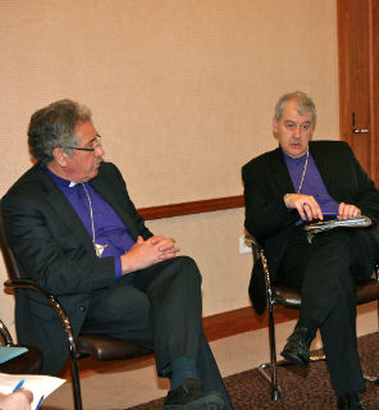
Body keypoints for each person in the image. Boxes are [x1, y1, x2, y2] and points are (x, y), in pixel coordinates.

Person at [1, 99, 233, 410]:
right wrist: (127, 262)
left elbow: (136, 228)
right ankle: (187, 386)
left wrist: (153, 247)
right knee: (174, 317)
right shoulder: (23, 202)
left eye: (98, 140)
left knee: (182, 269)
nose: (100, 151)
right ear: (61, 155)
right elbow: (52, 275)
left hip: (139, 273)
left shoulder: (107, 175)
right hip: (86, 297)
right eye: (90, 145)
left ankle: (184, 389)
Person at [242, 91, 379, 410]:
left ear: (313, 128)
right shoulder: (258, 169)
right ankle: (348, 395)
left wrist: (355, 210)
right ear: (275, 125)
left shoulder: (338, 153)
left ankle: (304, 331)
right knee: (333, 278)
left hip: (352, 244)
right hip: (299, 253)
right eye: (290, 125)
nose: (297, 135)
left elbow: (374, 199)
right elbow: (256, 225)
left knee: (337, 244)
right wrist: (287, 201)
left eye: (305, 126)